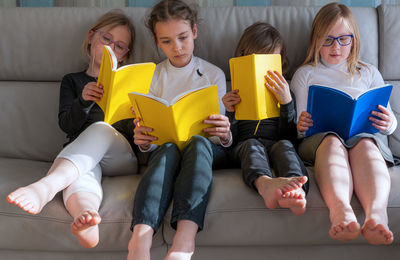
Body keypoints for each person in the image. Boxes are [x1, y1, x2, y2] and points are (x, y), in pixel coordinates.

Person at [7, 10, 138, 248]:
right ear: (91, 37)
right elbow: (67, 125)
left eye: (120, 46)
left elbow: (134, 134)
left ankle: (46, 187)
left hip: (120, 158)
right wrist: (83, 102)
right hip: (81, 157)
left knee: (101, 128)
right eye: (106, 39)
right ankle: (86, 217)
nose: (111, 48)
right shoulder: (73, 81)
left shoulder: (129, 84)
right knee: (80, 176)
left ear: (125, 55)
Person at [127, 1, 231, 259]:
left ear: (194, 31)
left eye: (183, 37)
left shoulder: (213, 74)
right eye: (167, 41)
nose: (177, 47)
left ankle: (184, 241)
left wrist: (225, 133)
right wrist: (142, 141)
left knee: (198, 142)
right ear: (156, 41)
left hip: (204, 151)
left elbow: (220, 137)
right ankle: (139, 240)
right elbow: (148, 138)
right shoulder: (152, 77)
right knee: (168, 148)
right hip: (166, 150)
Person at [291, 2, 396, 245]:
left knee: (366, 146)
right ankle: (340, 211)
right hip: (322, 140)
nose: (335, 47)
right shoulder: (306, 73)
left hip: (364, 137)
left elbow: (389, 122)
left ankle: (377, 215)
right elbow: (299, 122)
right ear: (316, 40)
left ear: (354, 40)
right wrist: (301, 124)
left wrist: (389, 123)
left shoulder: (368, 72)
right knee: (331, 142)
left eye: (343, 39)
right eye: (327, 39)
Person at [222, 22, 308, 216]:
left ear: (280, 61)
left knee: (285, 145)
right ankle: (264, 184)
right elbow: (230, 142)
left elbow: (291, 138)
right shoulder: (234, 91)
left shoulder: (285, 91)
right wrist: (230, 112)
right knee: (251, 144)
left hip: (275, 142)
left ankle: (296, 188)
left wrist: (286, 103)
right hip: (244, 146)